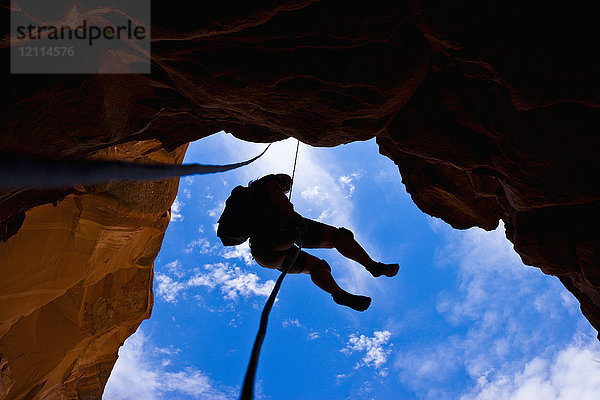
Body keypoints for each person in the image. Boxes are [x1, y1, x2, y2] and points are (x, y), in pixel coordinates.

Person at [246, 173, 399, 312]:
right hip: (279, 230)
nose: (287, 187)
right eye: (287, 184)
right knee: (338, 236)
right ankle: (372, 265)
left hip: (264, 255)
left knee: (317, 266)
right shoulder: (270, 182)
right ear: (281, 179)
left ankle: (339, 294)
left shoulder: (252, 197)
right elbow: (278, 199)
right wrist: (294, 217)